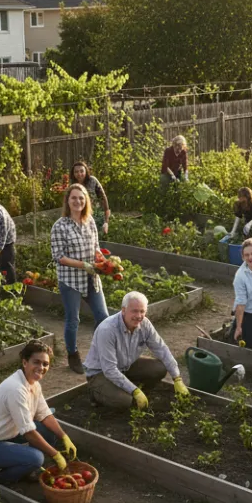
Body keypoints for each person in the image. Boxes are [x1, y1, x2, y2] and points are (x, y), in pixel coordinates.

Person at [0, 340, 77, 484]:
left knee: (47, 429)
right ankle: (3, 480)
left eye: (45, 364)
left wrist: (64, 436)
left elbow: (44, 414)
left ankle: (26, 466)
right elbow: (28, 432)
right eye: (36, 362)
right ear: (25, 362)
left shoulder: (34, 384)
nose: (41, 367)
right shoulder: (16, 389)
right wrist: (56, 455)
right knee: (37, 458)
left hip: (5, 435)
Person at [83, 292, 190, 409]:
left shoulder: (145, 324)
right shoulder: (107, 330)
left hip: (125, 366)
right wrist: (134, 391)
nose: (139, 316)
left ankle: (128, 387)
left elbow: (161, 349)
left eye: (142, 311)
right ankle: (95, 392)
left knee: (159, 368)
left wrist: (177, 378)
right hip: (101, 372)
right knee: (124, 401)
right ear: (124, 310)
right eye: (134, 311)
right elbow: (109, 369)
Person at [51, 183, 109, 375]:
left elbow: (96, 246)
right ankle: (73, 354)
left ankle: (101, 352)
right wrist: (83, 265)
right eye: (74, 198)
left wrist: (101, 258)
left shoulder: (90, 220)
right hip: (71, 280)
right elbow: (59, 256)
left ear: (86, 201)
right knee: (73, 319)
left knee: (103, 317)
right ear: (68, 201)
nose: (78, 201)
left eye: (81, 198)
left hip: (92, 278)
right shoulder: (60, 226)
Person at [71, 161, 111, 235]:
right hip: (79, 217)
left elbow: (103, 198)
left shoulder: (92, 180)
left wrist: (106, 221)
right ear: (73, 174)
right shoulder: (72, 184)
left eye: (81, 171)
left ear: (86, 171)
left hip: (94, 215)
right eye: (76, 172)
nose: (79, 174)